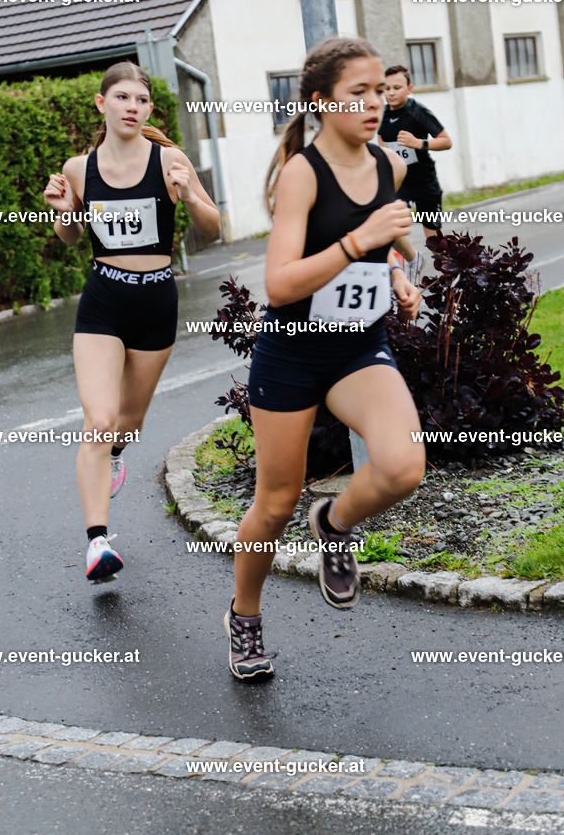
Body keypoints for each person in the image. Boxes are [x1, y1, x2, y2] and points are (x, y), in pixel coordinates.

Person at [224, 37, 426, 681]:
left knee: (402, 467)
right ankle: (245, 616)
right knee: (273, 504)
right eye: (357, 93)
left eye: (379, 90)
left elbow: (383, 249)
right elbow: (280, 283)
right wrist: (356, 241)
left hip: (359, 347)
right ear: (320, 101)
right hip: (293, 354)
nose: (375, 103)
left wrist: (394, 273)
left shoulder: (389, 164)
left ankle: (334, 524)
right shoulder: (302, 174)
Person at [43, 61, 220, 582]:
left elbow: (212, 227)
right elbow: (73, 237)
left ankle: (117, 451)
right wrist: (62, 211)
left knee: (127, 422)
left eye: (141, 101)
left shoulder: (169, 159)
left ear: (148, 109)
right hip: (103, 303)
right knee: (97, 420)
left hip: (155, 304)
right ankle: (98, 543)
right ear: (103, 104)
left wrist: (187, 193)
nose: (132, 108)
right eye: (121, 98)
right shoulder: (80, 168)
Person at [377, 65, 452, 284]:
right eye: (387, 88)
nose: (391, 92)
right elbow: (383, 144)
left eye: (397, 87)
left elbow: (446, 141)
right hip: (399, 182)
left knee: (434, 238)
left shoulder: (418, 111)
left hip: (424, 182)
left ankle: (450, 279)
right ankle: (412, 259)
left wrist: (418, 143)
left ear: (409, 89)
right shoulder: (380, 114)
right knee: (389, 226)